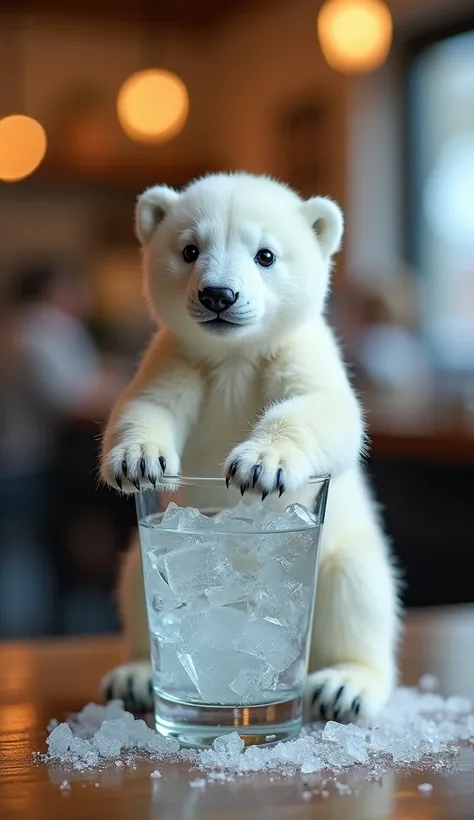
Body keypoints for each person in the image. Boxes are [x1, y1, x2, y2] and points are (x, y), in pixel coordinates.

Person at [0, 260, 123, 638]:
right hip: (24, 465)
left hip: (17, 460)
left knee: (23, 557)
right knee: (23, 560)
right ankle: (21, 651)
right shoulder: (45, 329)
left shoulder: (17, 327)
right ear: (53, 289)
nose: (80, 296)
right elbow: (73, 398)